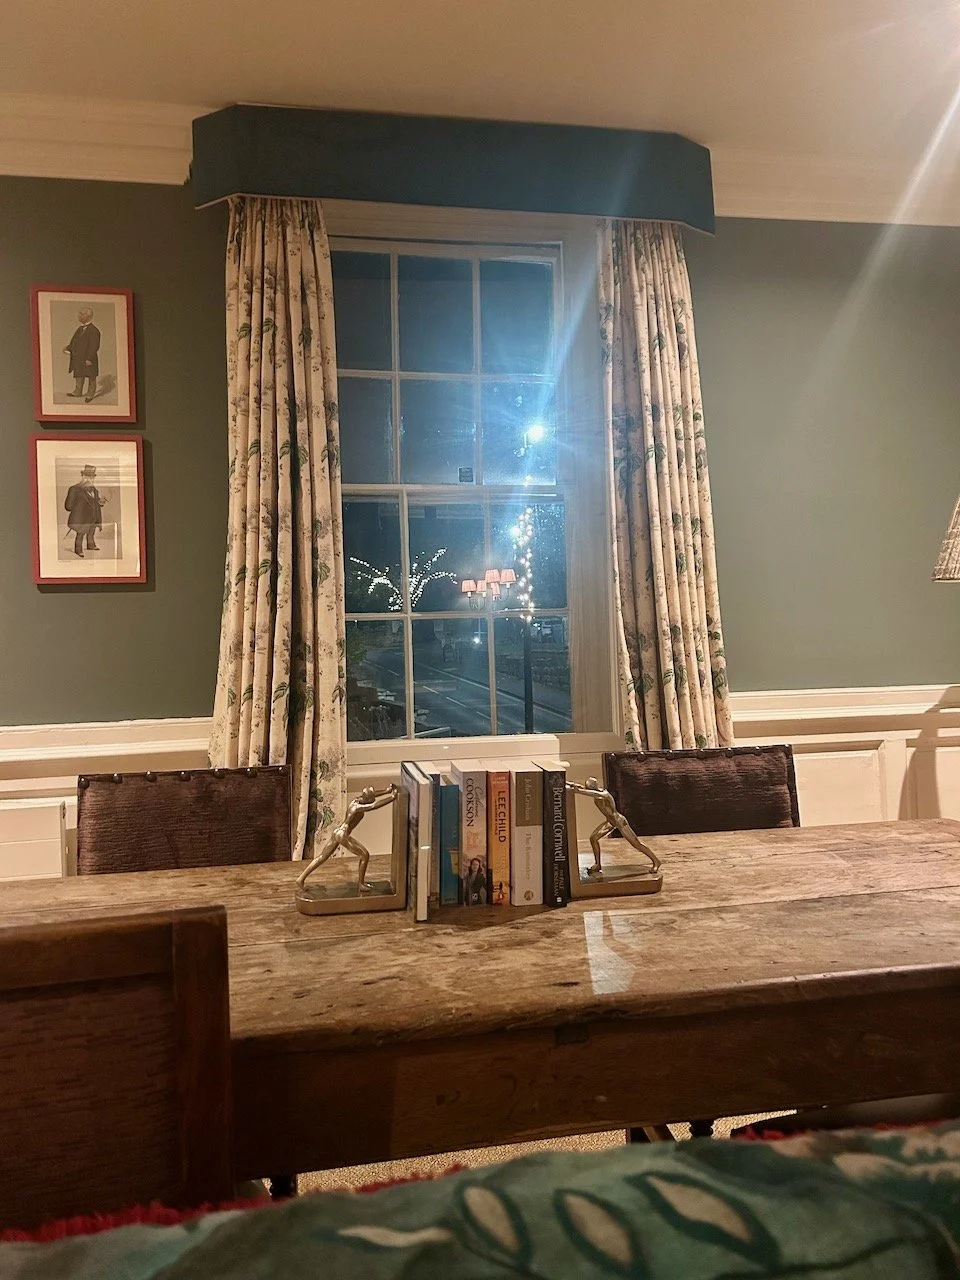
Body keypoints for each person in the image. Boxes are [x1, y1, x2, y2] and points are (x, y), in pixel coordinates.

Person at [296, 785, 398, 894]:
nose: (373, 798)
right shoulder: (357, 807)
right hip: (343, 835)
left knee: (322, 857)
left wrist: (387, 790)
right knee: (365, 855)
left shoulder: (357, 800)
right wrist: (392, 798)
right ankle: (361, 884)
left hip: (337, 832)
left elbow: (372, 796)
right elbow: (374, 805)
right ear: (367, 799)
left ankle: (301, 879)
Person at [64, 465, 106, 558]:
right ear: (83, 477)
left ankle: (90, 545)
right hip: (82, 517)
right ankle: (78, 549)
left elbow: (95, 501)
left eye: (92, 477)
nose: (90, 480)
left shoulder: (94, 490)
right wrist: (78, 506)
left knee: (91, 532)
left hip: (93, 516)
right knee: (81, 533)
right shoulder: (74, 489)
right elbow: (68, 506)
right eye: (88, 477)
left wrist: (100, 502)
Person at [64, 306, 101, 403]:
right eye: (79, 314)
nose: (79, 316)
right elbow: (74, 341)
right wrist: (68, 348)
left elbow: (94, 346)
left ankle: (90, 394)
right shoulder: (80, 329)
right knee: (79, 374)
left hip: (89, 359)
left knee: (91, 376)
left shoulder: (94, 330)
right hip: (78, 358)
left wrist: (89, 358)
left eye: (82, 314)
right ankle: (78, 392)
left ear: (88, 316)